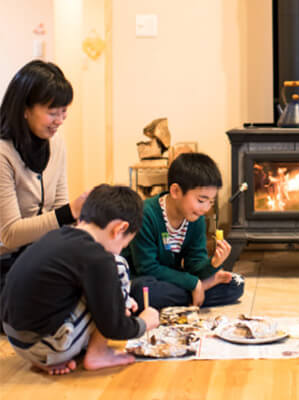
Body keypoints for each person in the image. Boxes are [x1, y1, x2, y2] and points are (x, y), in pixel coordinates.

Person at [0, 184, 160, 375]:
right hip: (46, 345)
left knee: (108, 285)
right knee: (118, 266)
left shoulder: (58, 236)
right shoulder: (99, 258)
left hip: (18, 342)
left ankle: (49, 355)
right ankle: (98, 354)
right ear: (120, 229)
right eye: (125, 242)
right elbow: (115, 328)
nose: (121, 248)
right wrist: (144, 322)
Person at [0, 60, 87, 301]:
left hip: (40, 253)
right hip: (7, 261)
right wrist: (69, 212)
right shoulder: (3, 153)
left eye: (63, 112)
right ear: (24, 109)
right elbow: (9, 234)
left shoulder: (56, 143)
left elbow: (60, 205)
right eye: (52, 113)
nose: (60, 120)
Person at [128, 152, 244, 310]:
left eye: (211, 201)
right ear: (175, 191)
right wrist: (193, 283)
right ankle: (200, 289)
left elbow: (194, 264)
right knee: (142, 293)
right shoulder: (145, 214)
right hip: (142, 278)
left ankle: (195, 292)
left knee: (236, 284)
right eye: (201, 200)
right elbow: (147, 268)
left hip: (171, 278)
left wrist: (213, 263)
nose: (206, 208)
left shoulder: (196, 219)